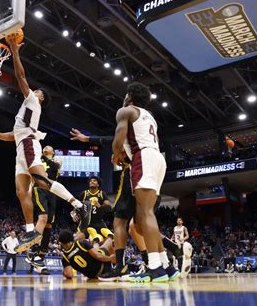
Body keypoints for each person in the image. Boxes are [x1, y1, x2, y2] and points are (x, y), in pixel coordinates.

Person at [0, 34, 88, 253]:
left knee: (42, 181)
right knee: (22, 192)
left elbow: (20, 77)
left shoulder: (32, 101)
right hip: (21, 146)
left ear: (40, 98)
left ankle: (78, 204)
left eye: (38, 91)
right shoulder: (26, 112)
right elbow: (13, 135)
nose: (34, 91)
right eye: (36, 90)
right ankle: (30, 230)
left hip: (30, 145)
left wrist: (15, 52)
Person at [70, 129, 179, 282]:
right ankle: (166, 259)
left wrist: (88, 139)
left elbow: (112, 139)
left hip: (133, 173)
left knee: (121, 222)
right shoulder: (149, 131)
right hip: (154, 169)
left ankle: (122, 267)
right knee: (136, 227)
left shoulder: (131, 125)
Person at [111, 82, 169, 283]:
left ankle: (155, 268)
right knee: (145, 216)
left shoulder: (126, 110)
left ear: (129, 96)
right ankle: (166, 266)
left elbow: (118, 141)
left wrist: (115, 154)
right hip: (158, 159)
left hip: (142, 157)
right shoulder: (149, 117)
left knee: (144, 214)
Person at [26, 146, 61, 275]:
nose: (46, 148)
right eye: (44, 147)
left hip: (52, 191)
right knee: (43, 217)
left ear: (52, 152)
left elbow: (56, 167)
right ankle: (34, 249)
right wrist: (29, 191)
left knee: (49, 225)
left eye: (49, 148)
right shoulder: (37, 161)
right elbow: (31, 178)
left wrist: (42, 156)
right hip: (39, 189)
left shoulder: (57, 160)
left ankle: (40, 258)